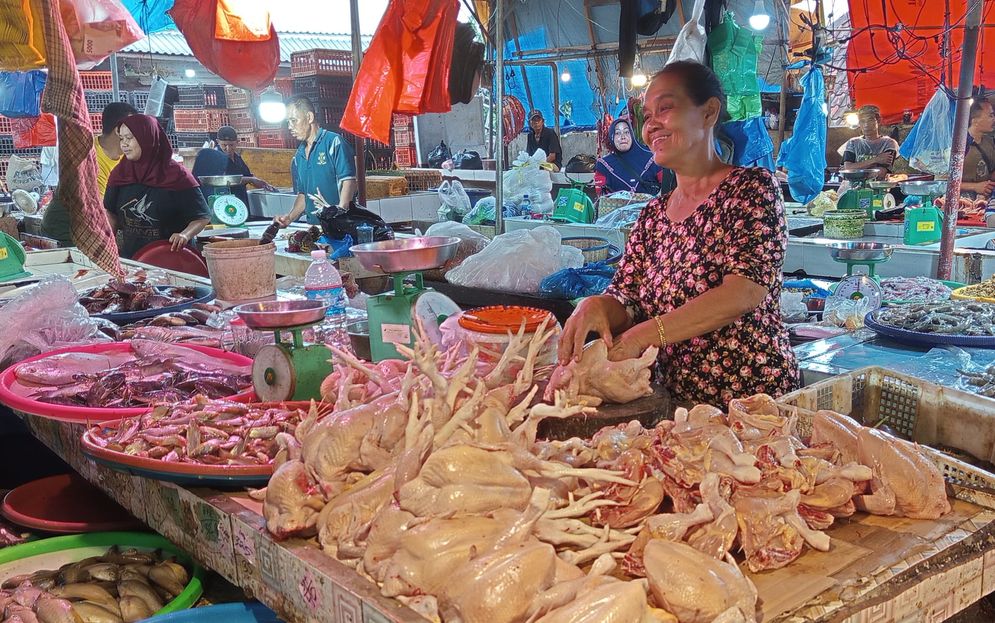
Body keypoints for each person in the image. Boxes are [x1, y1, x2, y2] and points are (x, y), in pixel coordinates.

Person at [558, 61, 799, 408]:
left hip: (749, 405)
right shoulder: (653, 217)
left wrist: (644, 335)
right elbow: (626, 299)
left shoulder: (750, 189)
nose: (650, 124)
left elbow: (743, 292)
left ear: (709, 112)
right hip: (672, 405)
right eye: (647, 115)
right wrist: (596, 306)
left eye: (666, 108)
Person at [104, 114, 211, 259]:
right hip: (133, 259)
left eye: (129, 138)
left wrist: (184, 235)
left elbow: (201, 217)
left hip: (172, 260)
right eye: (122, 138)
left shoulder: (178, 176)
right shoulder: (120, 174)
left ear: (147, 139)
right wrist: (108, 241)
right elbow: (110, 213)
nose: (124, 144)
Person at [41, 101, 137, 244]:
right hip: (65, 231)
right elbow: (98, 210)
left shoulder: (127, 156)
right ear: (118, 130)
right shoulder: (88, 156)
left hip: (91, 230)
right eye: (134, 128)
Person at [273, 96, 357, 229]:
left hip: (340, 227)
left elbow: (349, 181)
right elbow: (304, 195)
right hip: (314, 228)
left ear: (309, 117)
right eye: (288, 122)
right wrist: (289, 218)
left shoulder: (334, 142)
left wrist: (340, 212)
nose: (290, 127)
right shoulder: (299, 155)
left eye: (294, 121)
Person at [593, 117, 672, 195]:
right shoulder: (604, 165)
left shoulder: (652, 158)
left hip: (651, 207)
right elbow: (601, 197)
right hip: (618, 207)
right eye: (617, 133)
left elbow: (667, 188)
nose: (623, 137)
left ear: (632, 135)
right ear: (612, 137)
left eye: (626, 132)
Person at [214, 125, 275, 205]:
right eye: (224, 145)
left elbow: (247, 175)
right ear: (218, 142)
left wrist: (262, 184)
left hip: (240, 199)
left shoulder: (237, 157)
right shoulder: (215, 158)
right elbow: (225, 180)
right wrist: (251, 180)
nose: (228, 148)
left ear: (237, 142)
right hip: (225, 202)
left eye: (231, 145)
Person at [838, 105, 899, 178]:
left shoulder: (889, 143)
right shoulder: (853, 142)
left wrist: (856, 170)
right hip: (853, 187)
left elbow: (881, 172)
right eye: (862, 121)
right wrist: (876, 160)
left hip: (878, 187)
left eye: (870, 120)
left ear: (878, 121)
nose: (866, 125)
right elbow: (848, 168)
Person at [963, 98, 995, 200]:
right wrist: (975, 187)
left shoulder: (990, 142)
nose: (993, 119)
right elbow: (942, 183)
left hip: (986, 202)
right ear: (975, 120)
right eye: (990, 115)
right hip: (962, 203)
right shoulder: (958, 145)